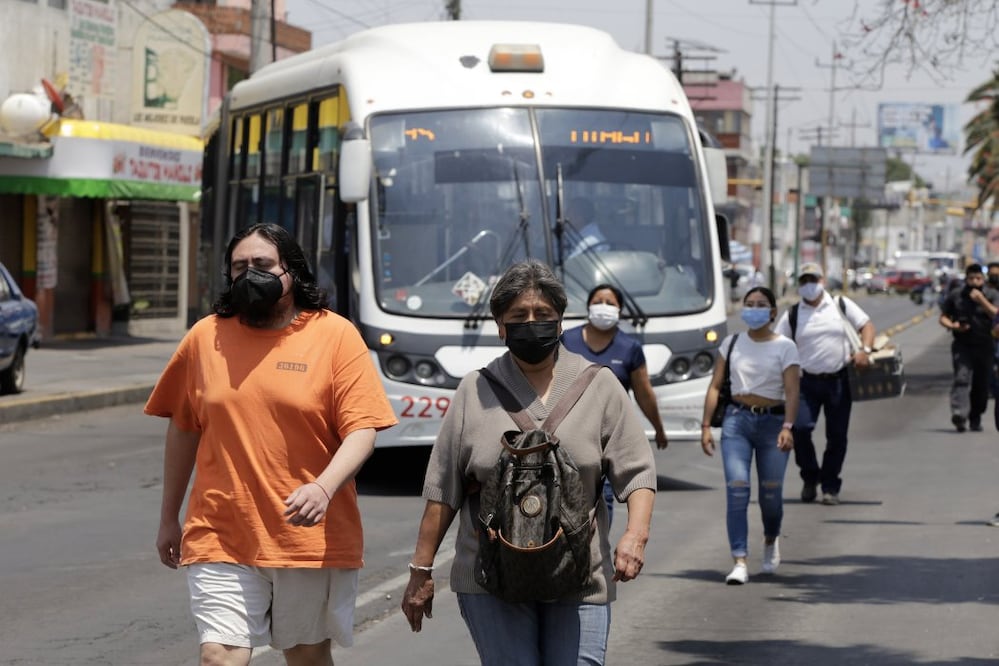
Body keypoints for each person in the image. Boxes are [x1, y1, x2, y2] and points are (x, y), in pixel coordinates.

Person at [145, 223, 397, 665]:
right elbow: (184, 428)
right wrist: (170, 516)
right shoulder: (205, 338)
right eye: (239, 266)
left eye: (261, 265)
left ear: (291, 271)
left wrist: (323, 487)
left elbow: (363, 430)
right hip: (220, 531)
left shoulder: (334, 336)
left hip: (307, 536)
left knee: (306, 657)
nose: (249, 275)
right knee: (219, 656)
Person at [401, 259, 656, 665]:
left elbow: (638, 471)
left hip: (580, 576)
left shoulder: (600, 385)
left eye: (543, 315)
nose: (531, 322)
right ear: (500, 325)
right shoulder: (474, 390)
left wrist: (635, 537)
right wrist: (420, 571)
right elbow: (442, 490)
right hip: (490, 578)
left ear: (560, 323)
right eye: (518, 316)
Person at [701, 287, 799, 585]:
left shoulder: (786, 346)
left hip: (773, 423)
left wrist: (788, 427)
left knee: (770, 493)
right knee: (737, 488)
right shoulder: (731, 344)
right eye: (749, 304)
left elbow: (793, 390)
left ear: (772, 312)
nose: (754, 309)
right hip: (737, 422)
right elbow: (716, 386)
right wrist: (706, 426)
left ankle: (770, 538)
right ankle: (739, 559)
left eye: (761, 305)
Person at [561, 283, 668, 523]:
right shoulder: (567, 340)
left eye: (610, 303)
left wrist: (659, 428)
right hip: (568, 432)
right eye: (598, 301)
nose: (603, 307)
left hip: (608, 436)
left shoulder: (630, 348)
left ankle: (596, 551)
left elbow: (643, 393)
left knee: (603, 497)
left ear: (620, 310)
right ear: (588, 306)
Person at [774, 262, 875, 506]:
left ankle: (830, 486)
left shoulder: (839, 305)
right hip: (806, 382)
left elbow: (866, 325)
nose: (809, 284)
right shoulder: (793, 314)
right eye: (804, 280)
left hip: (838, 380)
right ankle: (810, 477)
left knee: (837, 436)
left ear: (823, 281)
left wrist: (865, 350)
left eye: (814, 279)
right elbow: (777, 344)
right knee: (800, 429)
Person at [939, 263, 999, 432]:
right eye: (971, 278)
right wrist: (953, 326)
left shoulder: (992, 294)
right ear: (966, 278)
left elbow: (996, 314)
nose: (974, 281)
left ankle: (975, 417)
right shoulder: (956, 295)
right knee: (961, 378)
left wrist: (981, 300)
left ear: (983, 279)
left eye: (978, 278)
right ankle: (959, 414)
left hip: (985, 345)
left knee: (982, 384)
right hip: (962, 345)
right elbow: (943, 317)